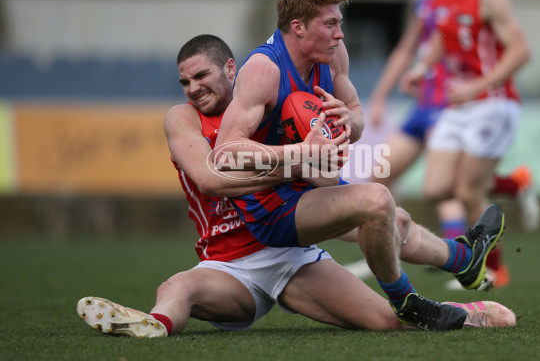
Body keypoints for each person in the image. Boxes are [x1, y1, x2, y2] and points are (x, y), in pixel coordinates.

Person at [76, 34, 516, 338]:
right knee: (178, 288)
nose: (193, 88)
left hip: (291, 249)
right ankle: (154, 325)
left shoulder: (278, 105)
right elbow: (211, 179)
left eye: (202, 76)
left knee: (387, 273)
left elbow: (322, 178)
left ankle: (467, 293)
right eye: (185, 82)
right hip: (228, 264)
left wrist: (336, 138)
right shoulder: (182, 118)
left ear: (232, 68)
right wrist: (298, 161)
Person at [213, 0, 505, 331]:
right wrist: (300, 153)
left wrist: (349, 122)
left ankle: (466, 258)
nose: (340, 33)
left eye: (340, 23)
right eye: (330, 23)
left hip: (308, 188)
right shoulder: (263, 69)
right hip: (270, 206)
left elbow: (356, 116)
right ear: (298, 27)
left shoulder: (332, 55)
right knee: (377, 200)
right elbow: (225, 153)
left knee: (392, 221)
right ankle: (407, 301)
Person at [368, 0, 540, 289]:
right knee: (435, 189)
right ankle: (513, 184)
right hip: (457, 104)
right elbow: (441, 38)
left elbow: (520, 51)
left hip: (492, 104)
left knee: (467, 191)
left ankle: (492, 270)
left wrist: (478, 86)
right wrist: (423, 67)